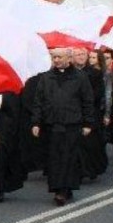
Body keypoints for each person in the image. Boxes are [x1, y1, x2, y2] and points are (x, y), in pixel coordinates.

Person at [32, 48, 94, 205]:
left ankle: (64, 190)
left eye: (59, 57)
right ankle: (58, 188)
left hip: (72, 123)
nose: (56, 60)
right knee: (54, 158)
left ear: (69, 58)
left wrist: (88, 123)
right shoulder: (46, 77)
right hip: (52, 124)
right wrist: (36, 122)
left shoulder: (80, 77)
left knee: (69, 157)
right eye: (54, 57)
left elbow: (87, 101)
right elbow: (38, 101)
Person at [73, 47, 107, 180]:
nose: (81, 57)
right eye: (78, 54)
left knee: (91, 143)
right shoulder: (70, 72)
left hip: (91, 112)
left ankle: (91, 169)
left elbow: (99, 94)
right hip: (74, 113)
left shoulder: (95, 73)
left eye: (83, 54)